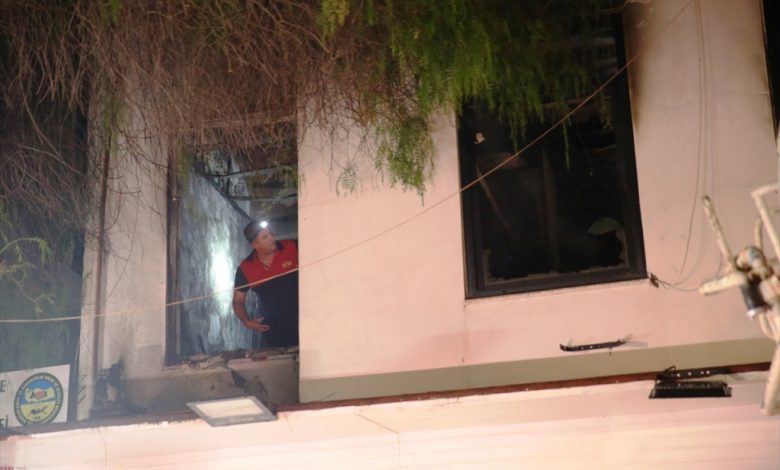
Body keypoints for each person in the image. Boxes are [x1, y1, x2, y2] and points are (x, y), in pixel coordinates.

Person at [233, 220, 299, 348]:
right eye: (265, 237)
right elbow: (238, 301)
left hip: (307, 318)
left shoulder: (293, 247)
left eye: (270, 234)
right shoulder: (246, 269)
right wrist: (246, 321)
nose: (272, 238)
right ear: (255, 245)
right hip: (277, 330)